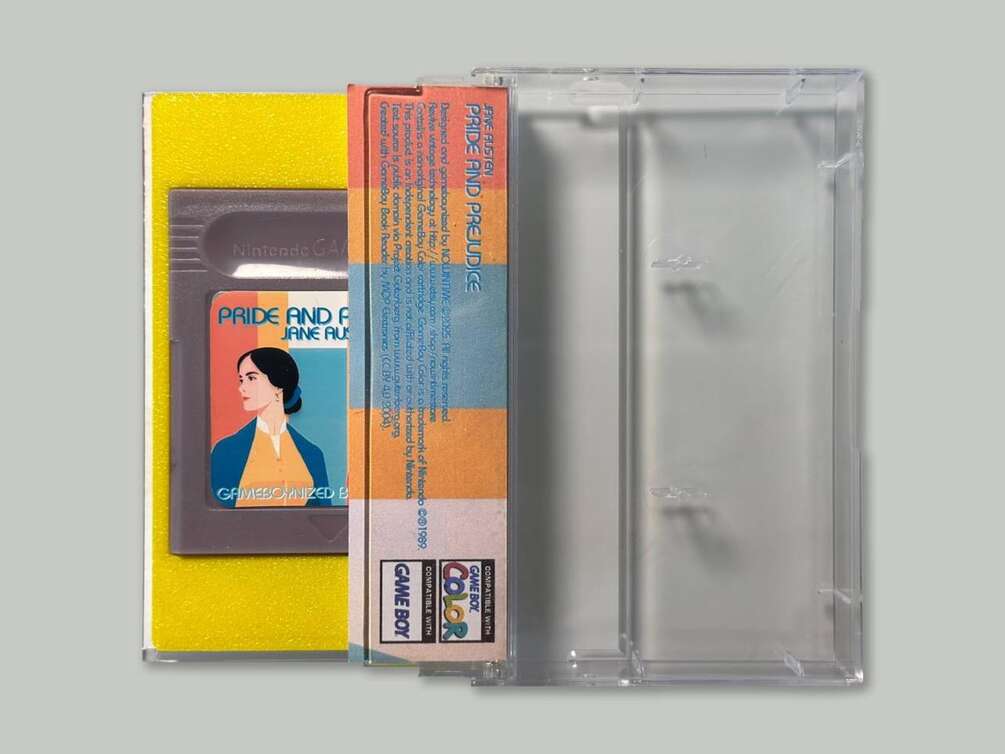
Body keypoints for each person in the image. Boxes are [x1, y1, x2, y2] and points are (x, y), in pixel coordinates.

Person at [210, 347, 331, 507]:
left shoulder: (313, 454)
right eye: (241, 380)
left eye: (251, 378)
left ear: (279, 384)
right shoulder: (226, 450)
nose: (242, 387)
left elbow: (324, 515)